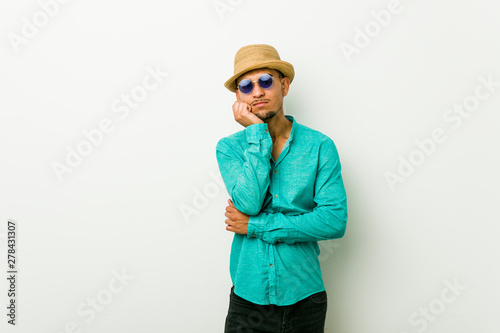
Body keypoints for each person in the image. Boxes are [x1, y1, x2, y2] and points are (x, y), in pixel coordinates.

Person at [215, 44, 348, 333]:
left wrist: (255, 226)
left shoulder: (320, 147)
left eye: (265, 81)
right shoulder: (229, 148)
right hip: (248, 300)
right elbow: (248, 203)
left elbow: (333, 221)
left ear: (284, 85)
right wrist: (257, 136)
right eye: (246, 86)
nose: (257, 92)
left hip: (305, 297)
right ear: (239, 97)